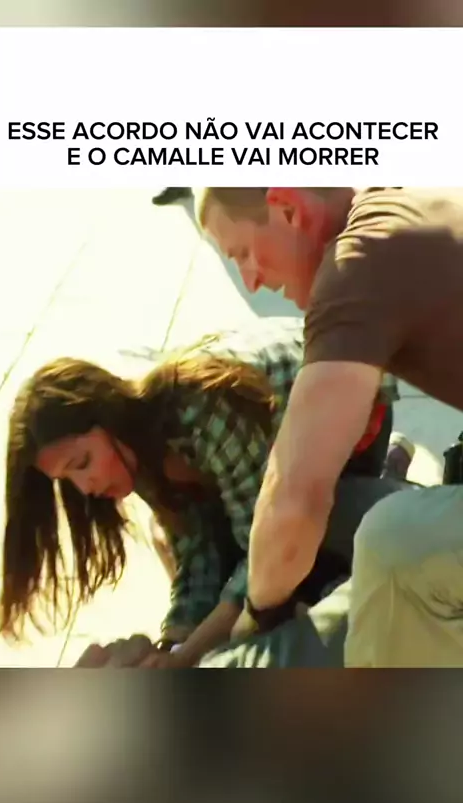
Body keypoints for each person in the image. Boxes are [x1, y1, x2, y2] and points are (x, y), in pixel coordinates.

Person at [2, 317, 396, 668]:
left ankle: (387, 479)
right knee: (172, 542)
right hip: (266, 466)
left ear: (108, 417)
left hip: (353, 412)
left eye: (82, 462)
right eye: (67, 480)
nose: (85, 487)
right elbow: (198, 552)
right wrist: (173, 643)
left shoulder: (203, 409)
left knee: (299, 562)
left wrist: (190, 656)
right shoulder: (136, 457)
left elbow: (263, 552)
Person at [196, 187, 463, 666]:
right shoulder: (397, 211)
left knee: (398, 543)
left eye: (243, 253)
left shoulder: (356, 266)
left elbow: (295, 498)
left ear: (289, 208)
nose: (250, 282)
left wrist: (254, 618)